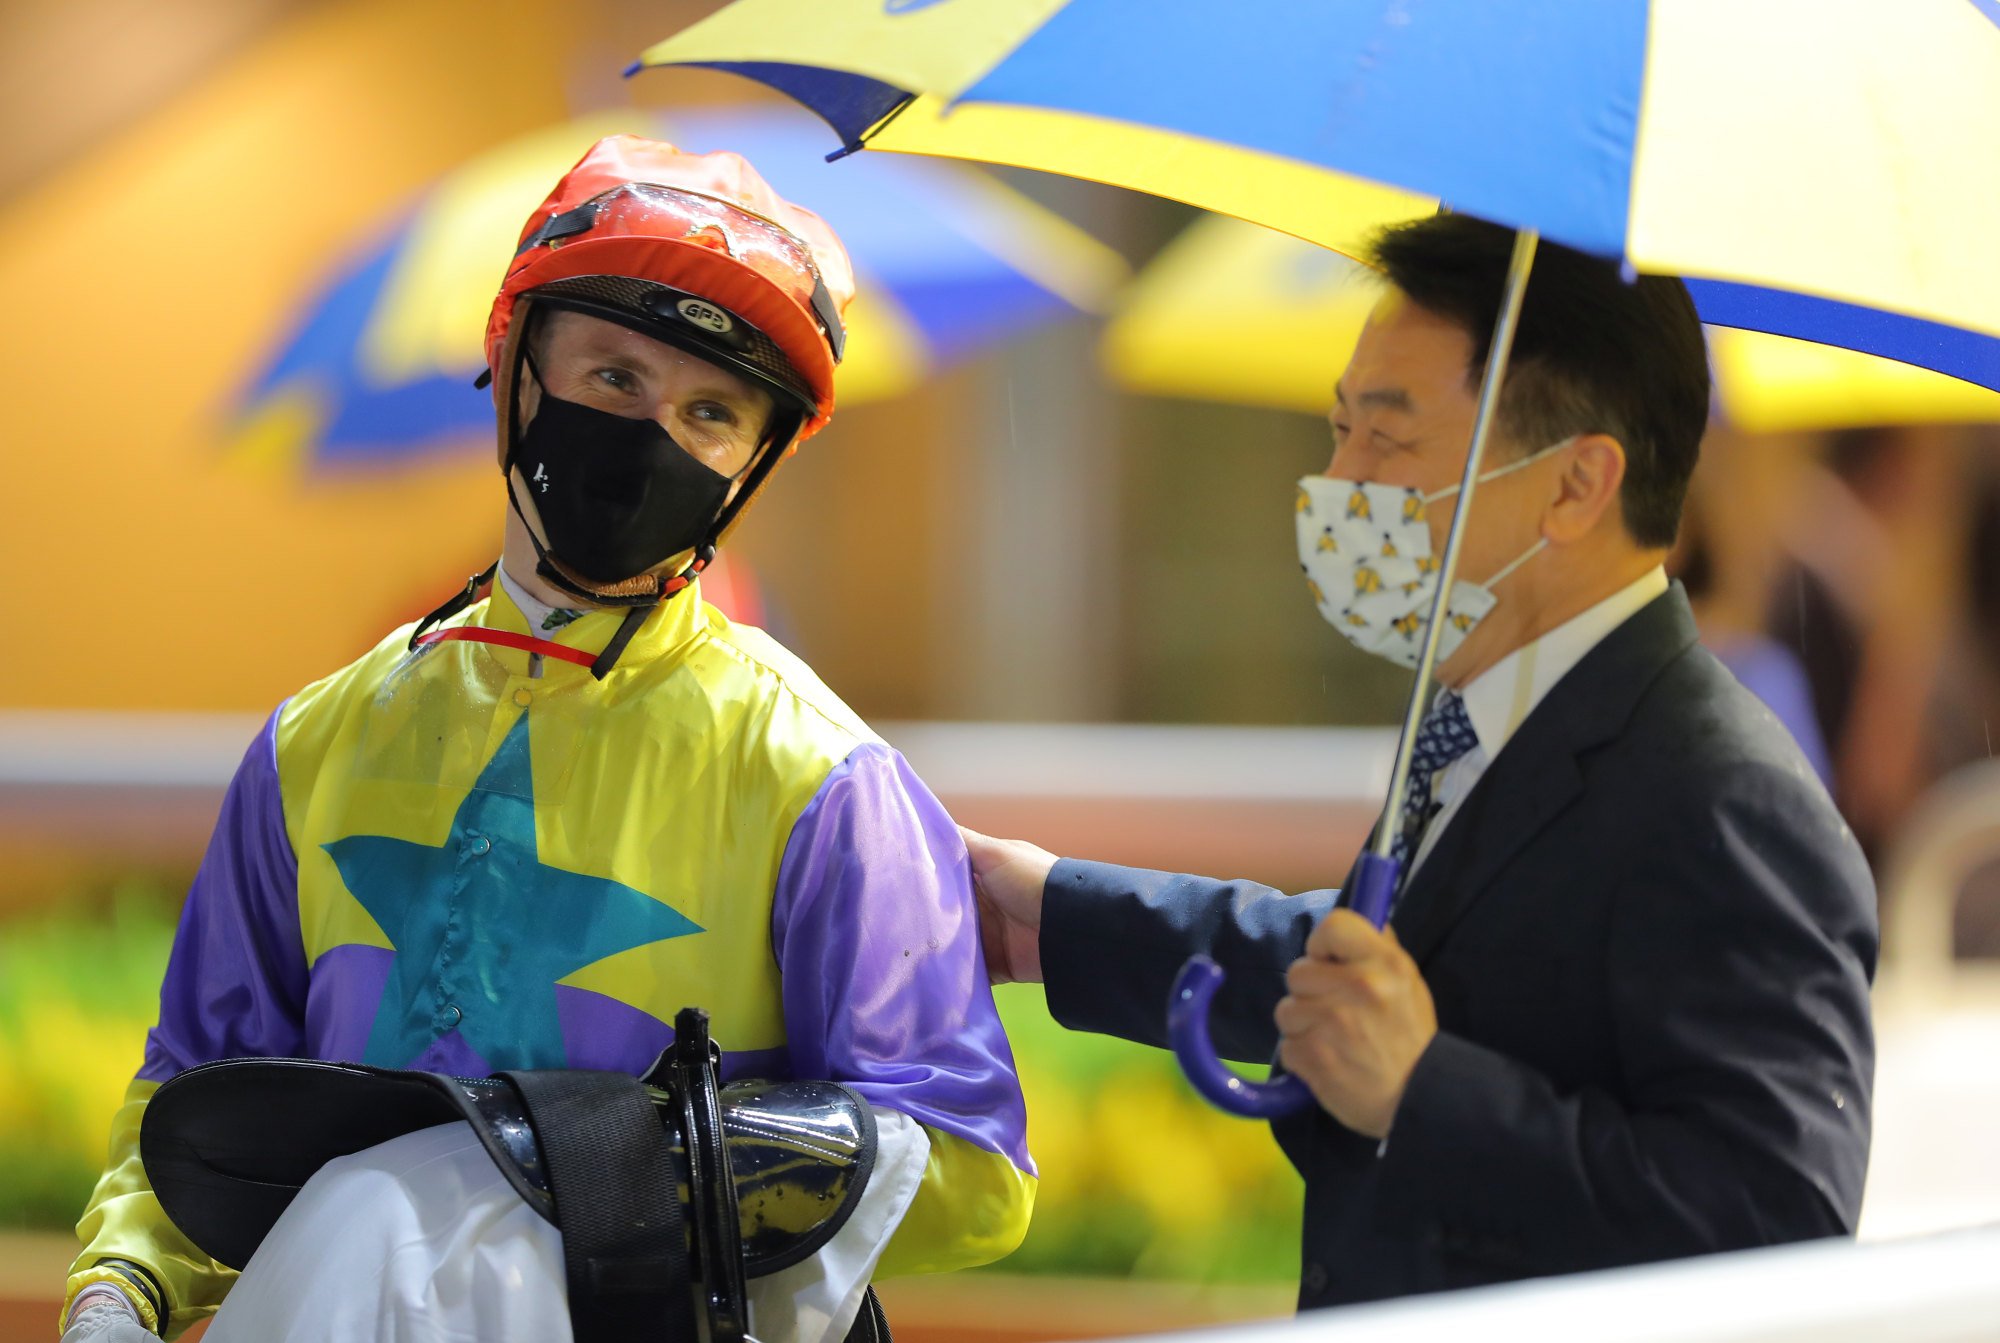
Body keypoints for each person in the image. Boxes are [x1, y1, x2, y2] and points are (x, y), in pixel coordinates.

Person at [62, 135, 1034, 1342]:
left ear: (757, 459)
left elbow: (969, 1171)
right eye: (614, 377)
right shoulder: (311, 743)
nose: (650, 436)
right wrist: (119, 1291)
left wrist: (609, 1174)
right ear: (511, 363)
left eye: (711, 411)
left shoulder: (826, 779)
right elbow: (193, 1094)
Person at [965, 214, 1876, 1309]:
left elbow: (1776, 1219)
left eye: (1387, 441)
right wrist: (1046, 915)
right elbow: (1363, 974)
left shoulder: (1726, 796)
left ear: (1575, 483)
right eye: (1340, 426)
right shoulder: (1475, 711)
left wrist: (1421, 1092)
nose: (1338, 480)